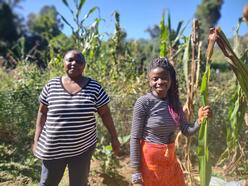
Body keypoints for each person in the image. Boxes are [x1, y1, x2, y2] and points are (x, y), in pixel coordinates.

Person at [32, 49, 120, 186]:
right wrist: (36, 140)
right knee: (47, 182)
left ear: (84, 65)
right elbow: (42, 113)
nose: (74, 63)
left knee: (78, 183)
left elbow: (105, 114)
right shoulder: (51, 85)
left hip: (82, 149)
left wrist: (114, 137)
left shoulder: (94, 87)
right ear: (63, 63)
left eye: (79, 61)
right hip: (53, 148)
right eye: (70, 60)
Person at [130, 57, 211, 186]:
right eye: (155, 79)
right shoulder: (144, 103)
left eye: (164, 77)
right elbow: (135, 138)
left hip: (170, 162)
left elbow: (187, 131)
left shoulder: (174, 103)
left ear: (171, 79)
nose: (160, 82)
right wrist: (136, 174)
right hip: (150, 165)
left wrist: (199, 120)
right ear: (149, 81)